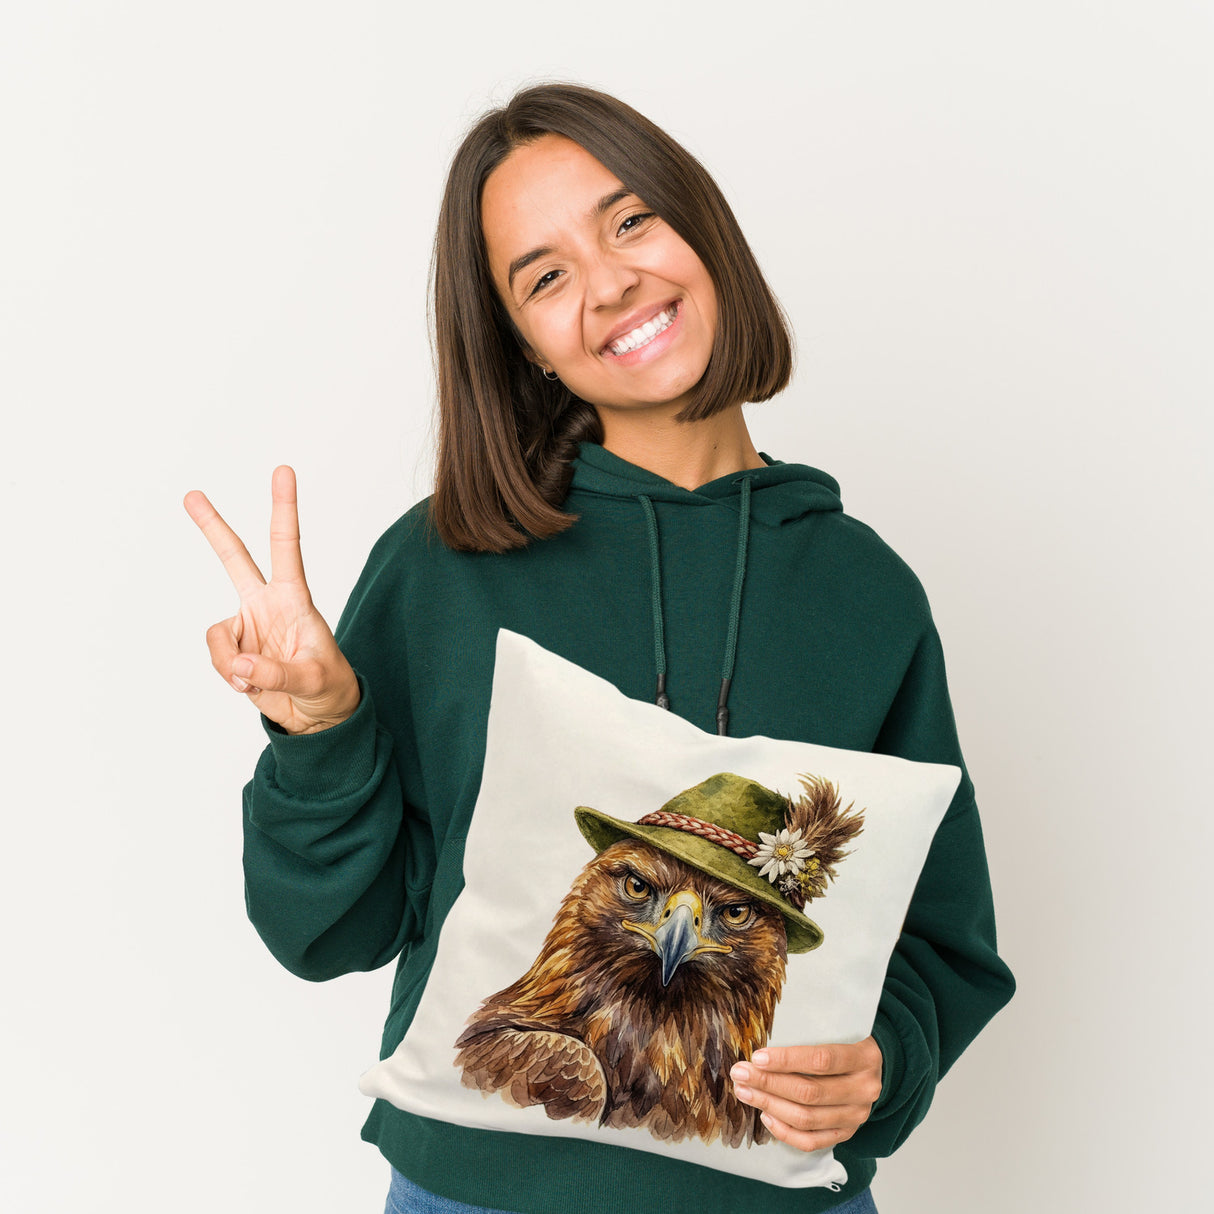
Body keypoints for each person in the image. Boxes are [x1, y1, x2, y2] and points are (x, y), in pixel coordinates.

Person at [185, 83, 1014, 1214]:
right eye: (544, 273)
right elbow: (324, 930)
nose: (609, 280)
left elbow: (941, 942)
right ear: (520, 340)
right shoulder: (446, 562)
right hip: (476, 1193)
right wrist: (318, 733)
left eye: (628, 222)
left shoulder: (861, 591)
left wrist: (882, 1063)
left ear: (701, 229)